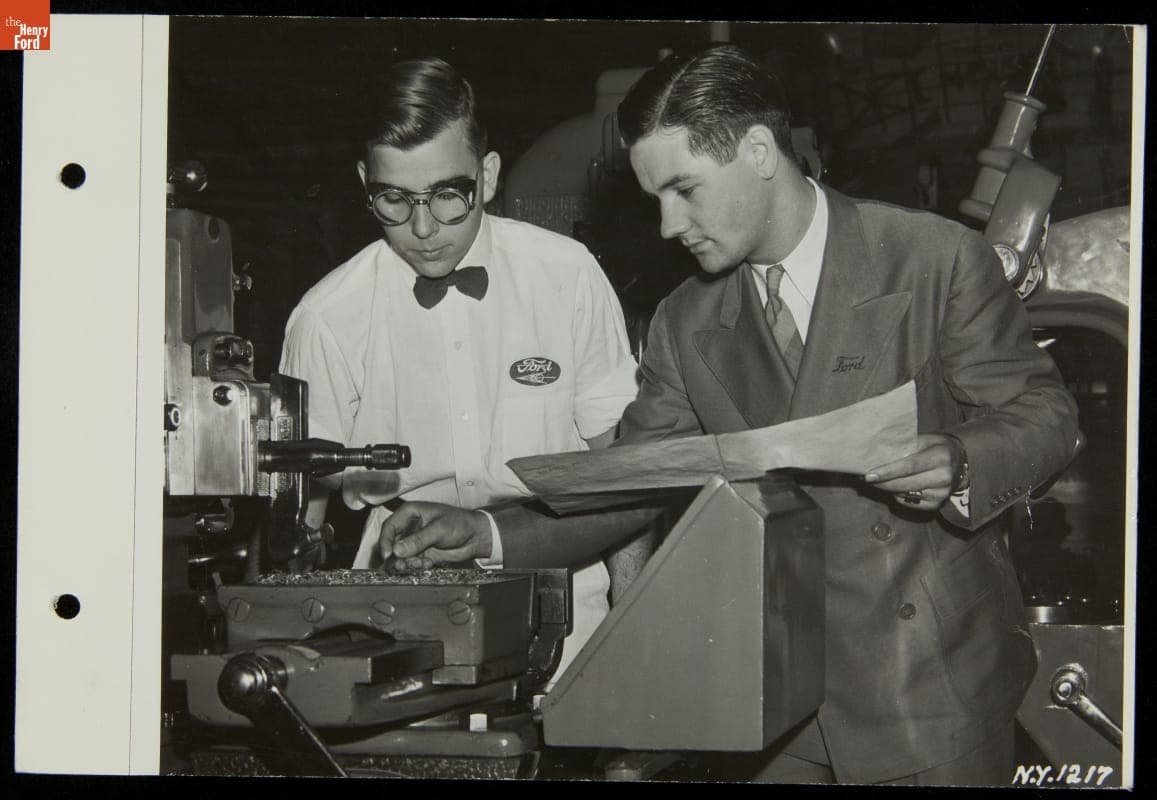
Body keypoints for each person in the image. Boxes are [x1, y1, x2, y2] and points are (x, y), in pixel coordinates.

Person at [374, 45, 1081, 786]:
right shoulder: (685, 321)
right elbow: (629, 483)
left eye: (684, 190)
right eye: (655, 197)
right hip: (772, 706)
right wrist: (487, 531)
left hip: (928, 690)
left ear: (758, 151)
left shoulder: (932, 259)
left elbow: (1045, 412)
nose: (666, 224)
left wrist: (960, 459)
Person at [278, 56, 648, 683]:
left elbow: (617, 466)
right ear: (365, 182)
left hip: (567, 596)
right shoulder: (326, 317)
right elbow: (302, 505)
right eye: (394, 199)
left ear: (490, 174)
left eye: (449, 195)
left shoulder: (568, 275)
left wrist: (636, 622)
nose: (423, 229)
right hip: (396, 613)